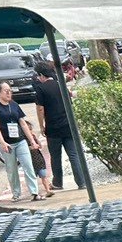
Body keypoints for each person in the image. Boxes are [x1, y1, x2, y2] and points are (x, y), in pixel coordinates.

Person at [32, 60, 85, 193]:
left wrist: (41, 126)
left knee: (55, 156)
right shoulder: (61, 84)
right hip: (68, 125)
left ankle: (57, 182)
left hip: (53, 127)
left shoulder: (41, 89)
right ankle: (81, 181)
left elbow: (40, 109)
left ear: (41, 75)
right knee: (73, 154)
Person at [0, 81, 42, 202]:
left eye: (10, 91)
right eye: (6, 91)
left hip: (20, 140)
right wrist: (2, 142)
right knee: (11, 169)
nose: (9, 93)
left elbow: (23, 123)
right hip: (7, 143)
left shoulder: (14, 104)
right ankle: (16, 193)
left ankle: (34, 192)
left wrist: (32, 141)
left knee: (28, 166)